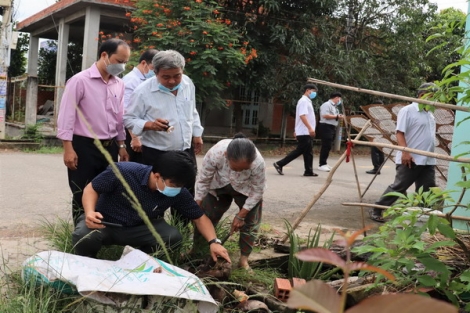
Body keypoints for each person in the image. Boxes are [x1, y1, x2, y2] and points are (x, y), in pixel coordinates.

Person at [72, 150, 231, 264]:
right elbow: (91, 189)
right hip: (106, 223)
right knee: (84, 235)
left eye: (181, 186)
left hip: (139, 229)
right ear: (157, 175)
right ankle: (89, 263)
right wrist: (90, 212)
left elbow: (199, 217)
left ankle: (140, 263)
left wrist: (214, 242)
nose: (176, 189)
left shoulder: (177, 192)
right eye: (173, 185)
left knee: (172, 237)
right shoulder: (123, 172)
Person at [57, 38, 130, 224]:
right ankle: (82, 237)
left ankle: (102, 235)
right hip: (84, 146)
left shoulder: (119, 84)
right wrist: (68, 148)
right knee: (81, 192)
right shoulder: (79, 81)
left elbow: (119, 117)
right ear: (104, 55)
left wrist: (122, 144)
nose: (122, 66)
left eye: (125, 62)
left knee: (107, 191)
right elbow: (66, 115)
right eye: (119, 61)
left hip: (110, 147)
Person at [124, 50, 203, 196]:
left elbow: (192, 110)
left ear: (182, 71)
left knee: (185, 192)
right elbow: (128, 119)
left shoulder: (187, 83)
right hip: (157, 153)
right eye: (166, 77)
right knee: (155, 194)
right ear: (155, 72)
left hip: (185, 150)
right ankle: (155, 219)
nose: (172, 81)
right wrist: (150, 125)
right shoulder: (142, 91)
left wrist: (197, 134)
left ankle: (181, 220)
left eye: (176, 76)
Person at [193, 134, 266, 270]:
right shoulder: (216, 153)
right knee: (205, 215)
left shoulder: (258, 163)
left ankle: (243, 260)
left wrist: (241, 215)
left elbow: (257, 191)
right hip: (218, 184)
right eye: (236, 168)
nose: (239, 171)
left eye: (244, 169)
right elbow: (203, 181)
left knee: (250, 222)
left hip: (246, 190)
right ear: (226, 156)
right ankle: (198, 251)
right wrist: (197, 205)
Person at [369, 83, 438, 223]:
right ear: (422, 95)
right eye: (433, 96)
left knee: (427, 188)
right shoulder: (408, 110)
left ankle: (421, 214)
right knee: (400, 186)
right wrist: (405, 152)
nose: (435, 100)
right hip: (411, 158)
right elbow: (400, 132)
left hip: (428, 159)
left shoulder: (430, 114)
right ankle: (377, 208)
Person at [273, 83, 318, 177]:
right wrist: (310, 128)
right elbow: (302, 116)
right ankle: (280, 163)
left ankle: (308, 171)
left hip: (304, 131)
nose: (314, 94)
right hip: (305, 131)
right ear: (308, 90)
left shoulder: (307, 101)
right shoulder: (303, 101)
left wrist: (297, 129)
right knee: (301, 150)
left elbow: (299, 117)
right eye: (313, 91)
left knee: (308, 152)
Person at [122, 49, 159, 163]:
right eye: (154, 69)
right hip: (134, 134)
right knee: (135, 171)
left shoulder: (149, 80)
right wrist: (135, 138)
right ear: (144, 63)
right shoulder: (131, 81)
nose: (156, 73)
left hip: (147, 133)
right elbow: (125, 112)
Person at [318, 91, 344, 172]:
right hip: (325, 126)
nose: (339, 100)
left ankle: (324, 163)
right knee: (326, 145)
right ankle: (321, 164)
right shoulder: (327, 105)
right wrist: (337, 116)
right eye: (339, 99)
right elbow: (324, 115)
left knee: (328, 145)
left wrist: (338, 116)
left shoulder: (334, 106)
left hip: (331, 127)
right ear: (336, 98)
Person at [366, 100, 385, 175]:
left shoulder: (377, 114)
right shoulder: (385, 113)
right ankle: (378, 167)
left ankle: (376, 168)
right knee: (380, 152)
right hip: (383, 135)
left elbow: (374, 125)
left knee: (375, 152)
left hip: (377, 134)